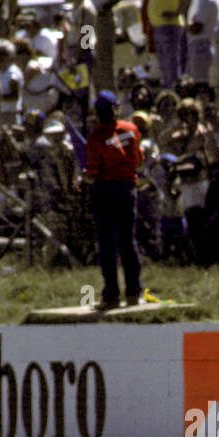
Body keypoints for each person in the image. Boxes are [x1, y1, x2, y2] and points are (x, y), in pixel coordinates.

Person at [85, 89, 144, 310]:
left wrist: (84, 176)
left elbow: (92, 172)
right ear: (116, 108)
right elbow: (138, 160)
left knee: (107, 244)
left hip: (104, 191)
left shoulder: (95, 137)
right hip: (127, 189)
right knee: (128, 241)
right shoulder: (132, 130)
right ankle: (133, 292)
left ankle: (111, 295)